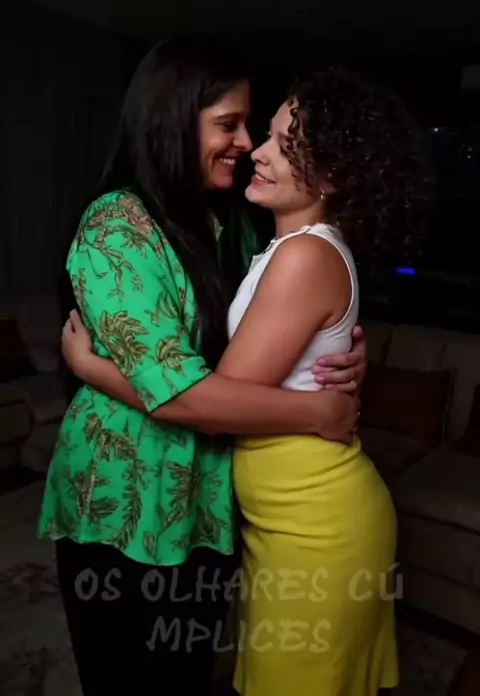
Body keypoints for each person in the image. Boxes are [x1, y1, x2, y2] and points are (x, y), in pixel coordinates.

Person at [62, 64, 432, 695]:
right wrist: (318, 395)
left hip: (311, 519)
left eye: (284, 145)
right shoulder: (264, 242)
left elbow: (210, 401)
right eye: (258, 133)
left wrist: (88, 366)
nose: (256, 150)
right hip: (274, 516)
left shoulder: (303, 254)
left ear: (334, 176)